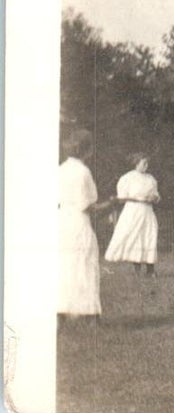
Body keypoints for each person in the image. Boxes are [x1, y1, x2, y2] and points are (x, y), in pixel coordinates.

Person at [58, 130, 103, 323]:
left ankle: (60, 312)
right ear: (87, 150)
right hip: (78, 221)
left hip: (60, 220)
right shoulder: (83, 172)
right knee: (85, 264)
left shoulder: (61, 169)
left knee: (64, 266)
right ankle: (90, 314)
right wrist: (111, 203)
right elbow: (87, 205)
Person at [105, 152, 161, 276]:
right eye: (143, 163)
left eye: (147, 163)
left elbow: (157, 195)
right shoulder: (127, 178)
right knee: (136, 238)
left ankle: (150, 270)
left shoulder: (151, 179)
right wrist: (141, 198)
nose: (146, 165)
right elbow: (122, 198)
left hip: (147, 211)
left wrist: (154, 198)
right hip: (133, 211)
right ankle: (137, 271)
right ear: (136, 163)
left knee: (149, 236)